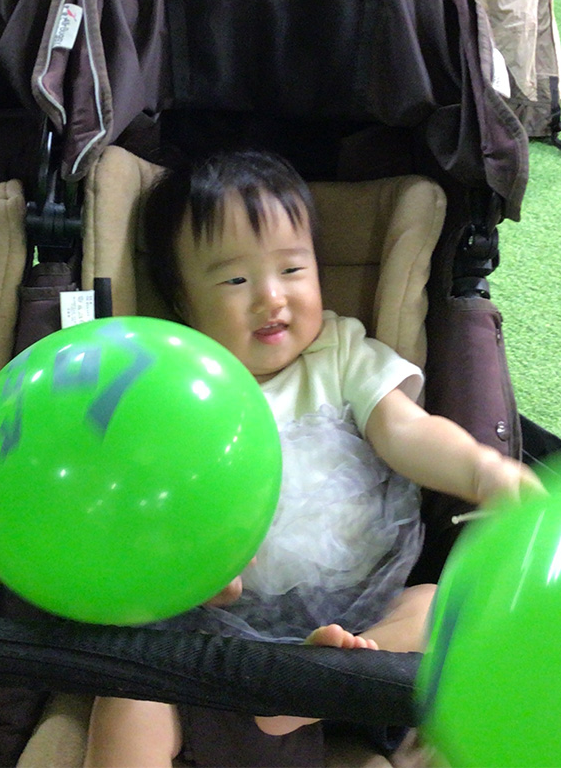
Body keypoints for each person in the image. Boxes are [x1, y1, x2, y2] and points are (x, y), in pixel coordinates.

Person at [84, 149, 543, 768]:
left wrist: (482, 470)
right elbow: (141, 502)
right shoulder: (174, 383)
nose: (270, 298)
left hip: (364, 607)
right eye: (235, 281)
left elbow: (405, 430)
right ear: (184, 304)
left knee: (437, 605)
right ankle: (301, 685)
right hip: (213, 623)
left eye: (292, 269)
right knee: (127, 691)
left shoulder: (340, 351)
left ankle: (320, 679)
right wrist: (189, 571)